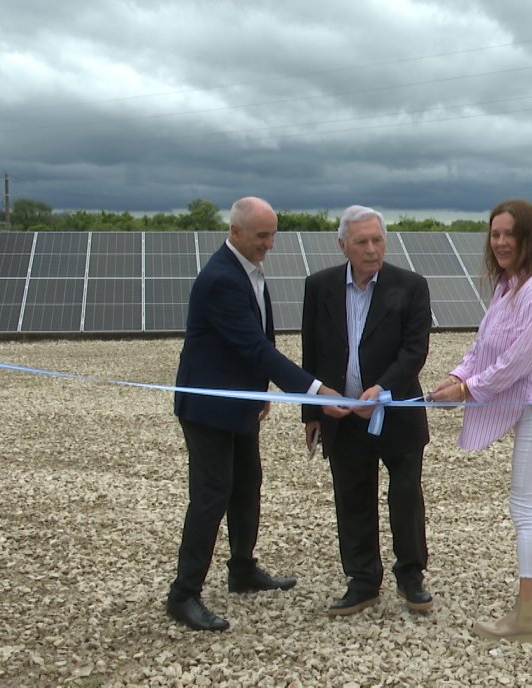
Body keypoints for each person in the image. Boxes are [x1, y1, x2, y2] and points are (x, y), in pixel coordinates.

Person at [167, 196, 348, 632]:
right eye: (262, 236)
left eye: (273, 234)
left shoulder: (248, 268)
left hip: (239, 404)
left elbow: (253, 341)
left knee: (247, 486)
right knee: (212, 495)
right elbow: (255, 347)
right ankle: (183, 593)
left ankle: (242, 569)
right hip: (208, 409)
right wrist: (317, 391)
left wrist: (259, 391)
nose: (270, 244)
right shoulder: (222, 279)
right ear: (236, 232)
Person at [428, 198, 532, 643]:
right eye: (494, 234)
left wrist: (466, 391)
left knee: (525, 509)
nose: (499, 242)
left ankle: (525, 615)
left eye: (508, 234)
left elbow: (516, 362)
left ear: (527, 237)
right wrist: (457, 375)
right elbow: (483, 348)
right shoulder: (509, 286)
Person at [301, 205, 433, 616]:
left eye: (377, 240)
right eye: (362, 241)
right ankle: (362, 580)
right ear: (343, 245)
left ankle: (411, 576)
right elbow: (311, 350)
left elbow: (415, 349)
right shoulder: (318, 287)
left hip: (396, 411)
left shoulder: (410, 286)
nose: (372, 249)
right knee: (352, 497)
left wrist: (383, 388)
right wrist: (312, 411)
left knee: (406, 495)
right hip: (341, 415)